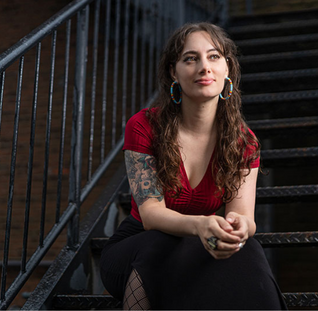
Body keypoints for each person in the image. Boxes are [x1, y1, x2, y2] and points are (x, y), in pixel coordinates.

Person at [100, 22, 287, 310]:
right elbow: (151, 215)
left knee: (248, 250)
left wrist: (237, 229)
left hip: (200, 246)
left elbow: (245, 217)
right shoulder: (144, 125)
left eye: (214, 57)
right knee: (159, 244)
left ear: (228, 70)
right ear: (173, 72)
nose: (204, 67)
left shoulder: (244, 143)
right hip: (136, 247)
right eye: (191, 58)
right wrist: (200, 224)